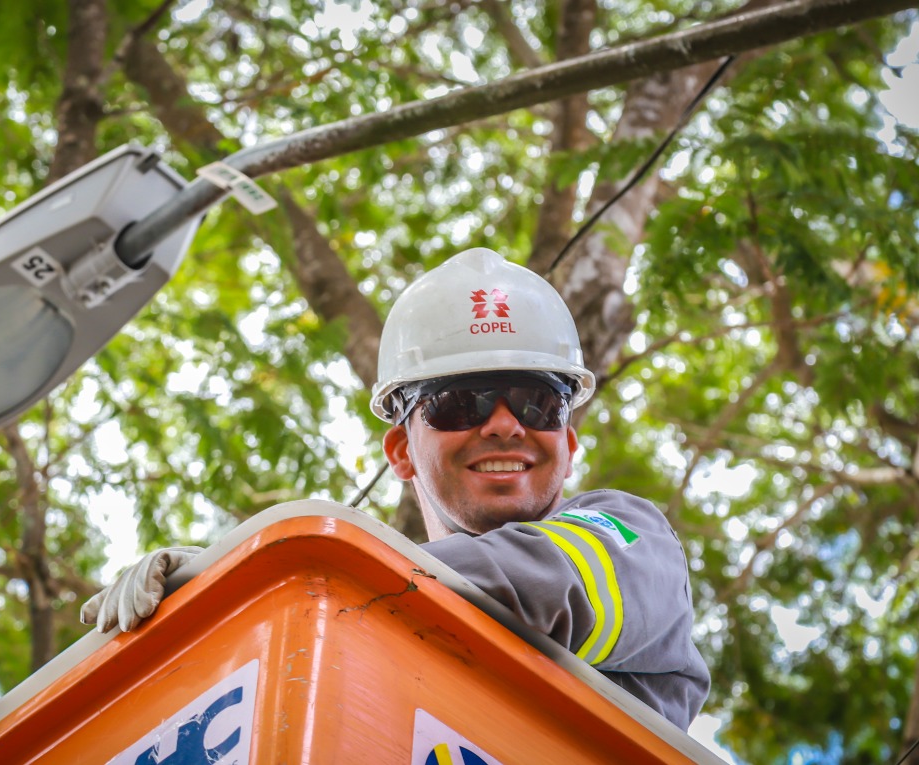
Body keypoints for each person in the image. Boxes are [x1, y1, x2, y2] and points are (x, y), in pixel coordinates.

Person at [81, 247, 709, 731]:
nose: (504, 423)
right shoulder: (346, 638)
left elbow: (542, 582)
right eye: (459, 403)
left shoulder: (631, 538)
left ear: (568, 445)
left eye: (537, 402)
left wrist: (248, 585)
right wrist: (184, 636)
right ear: (402, 452)